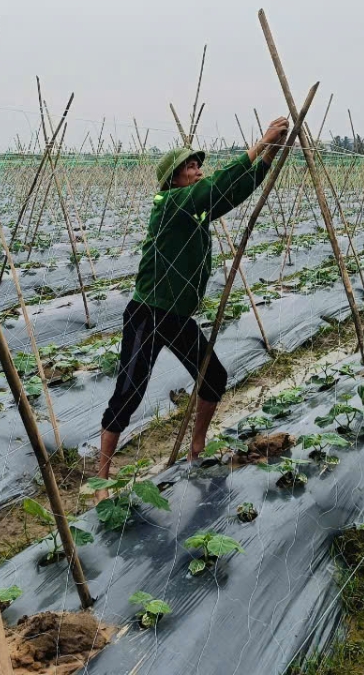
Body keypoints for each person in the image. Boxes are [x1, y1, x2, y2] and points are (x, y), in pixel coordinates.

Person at [96, 116, 290, 492]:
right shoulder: (169, 205)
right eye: (190, 166)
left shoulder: (195, 211)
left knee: (213, 376)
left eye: (199, 165)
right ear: (173, 178)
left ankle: (196, 447)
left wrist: (268, 158)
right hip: (148, 313)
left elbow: (228, 193)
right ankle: (100, 478)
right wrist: (258, 143)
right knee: (129, 393)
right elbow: (214, 187)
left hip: (178, 316)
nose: (199, 171)